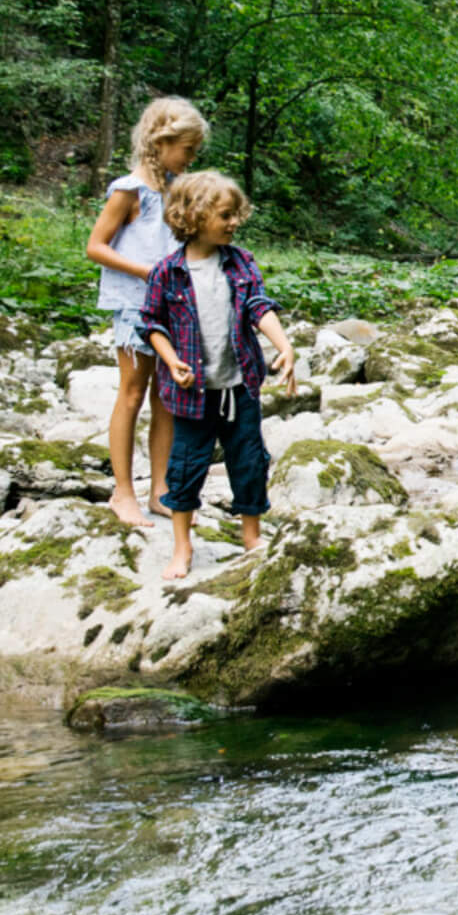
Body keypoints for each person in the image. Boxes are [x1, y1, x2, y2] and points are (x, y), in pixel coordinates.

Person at [142, 171, 297, 582]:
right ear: (193, 216)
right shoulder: (166, 272)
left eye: (236, 215)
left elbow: (258, 307)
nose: (234, 223)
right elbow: (152, 324)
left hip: (239, 385)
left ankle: (251, 535)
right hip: (191, 395)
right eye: (226, 215)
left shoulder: (241, 262)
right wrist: (172, 361)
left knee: (248, 460)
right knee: (185, 465)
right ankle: (182, 545)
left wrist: (283, 345)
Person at [84, 97, 206, 526]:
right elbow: (95, 247)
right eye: (186, 150)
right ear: (162, 142)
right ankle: (122, 492)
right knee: (133, 392)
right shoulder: (128, 191)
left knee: (167, 398)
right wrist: (145, 271)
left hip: (172, 308)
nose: (190, 159)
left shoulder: (177, 191)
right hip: (135, 306)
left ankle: (161, 490)